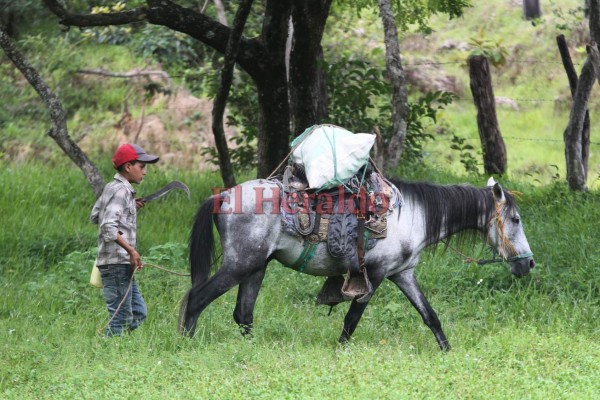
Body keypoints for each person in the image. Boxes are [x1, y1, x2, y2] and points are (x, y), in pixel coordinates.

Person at [90, 143, 159, 337]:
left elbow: (96, 215)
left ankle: (116, 343)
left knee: (138, 313)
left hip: (119, 263)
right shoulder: (121, 191)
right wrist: (132, 250)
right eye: (141, 166)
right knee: (120, 317)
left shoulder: (112, 188)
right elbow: (107, 227)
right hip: (116, 263)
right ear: (128, 167)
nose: (144, 172)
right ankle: (108, 349)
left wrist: (129, 207)